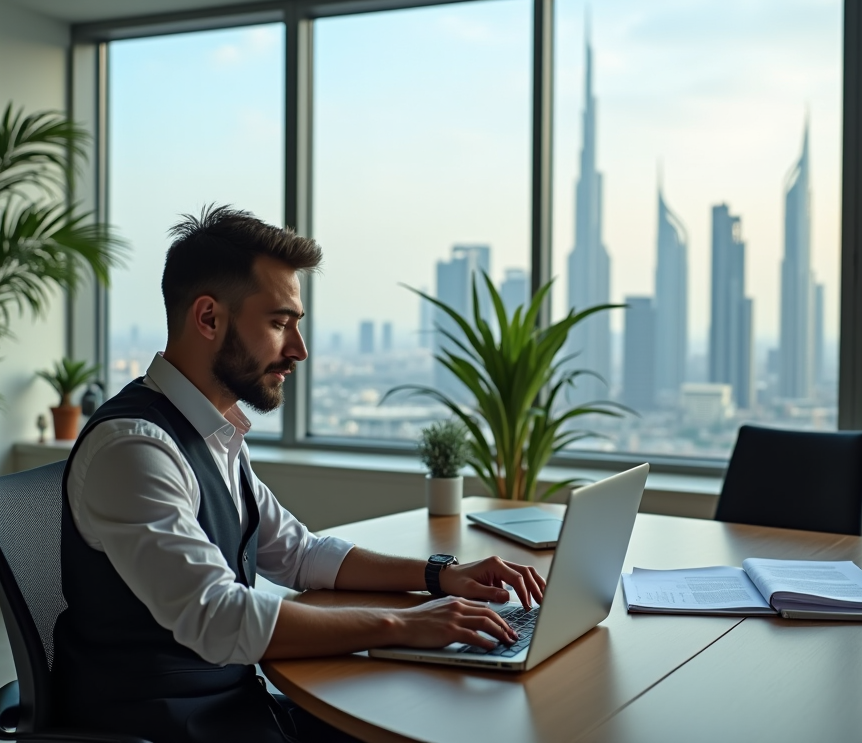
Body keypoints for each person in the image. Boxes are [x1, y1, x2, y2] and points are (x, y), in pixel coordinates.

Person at [52, 206, 546, 743]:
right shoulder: (135, 449)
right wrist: (407, 625)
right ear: (209, 318)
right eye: (279, 323)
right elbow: (220, 619)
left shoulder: (214, 434)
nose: (299, 350)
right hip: (165, 725)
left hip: (234, 709)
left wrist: (439, 576)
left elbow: (300, 554)